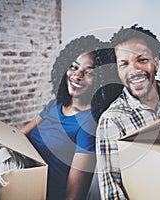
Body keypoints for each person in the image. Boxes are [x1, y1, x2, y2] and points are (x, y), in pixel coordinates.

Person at [96, 25, 160, 199]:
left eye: (142, 60)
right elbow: (112, 191)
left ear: (156, 63)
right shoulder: (112, 120)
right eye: (124, 64)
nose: (134, 70)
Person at [20, 35, 121, 200]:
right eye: (74, 67)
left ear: (100, 81)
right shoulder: (55, 105)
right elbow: (19, 135)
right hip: (19, 175)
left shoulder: (88, 125)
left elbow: (74, 196)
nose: (77, 75)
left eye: (89, 73)